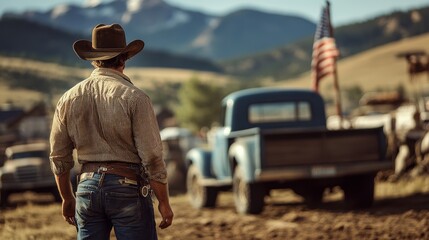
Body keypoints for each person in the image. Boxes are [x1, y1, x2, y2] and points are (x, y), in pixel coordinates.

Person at [49, 23, 173, 240]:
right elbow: (152, 156)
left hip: (86, 186)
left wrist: (67, 198)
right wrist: (163, 201)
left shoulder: (67, 99)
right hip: (127, 187)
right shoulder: (135, 97)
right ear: (123, 60)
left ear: (94, 60)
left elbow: (59, 156)